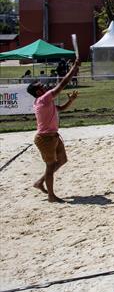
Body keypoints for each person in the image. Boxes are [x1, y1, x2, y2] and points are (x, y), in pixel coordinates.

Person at [26, 58, 81, 203]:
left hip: (53, 137)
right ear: (38, 91)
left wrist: (71, 100)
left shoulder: (44, 101)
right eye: (41, 85)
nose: (44, 85)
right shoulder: (43, 99)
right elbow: (62, 84)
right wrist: (74, 68)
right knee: (50, 167)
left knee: (62, 160)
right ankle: (51, 196)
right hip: (45, 139)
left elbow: (60, 109)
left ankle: (40, 182)